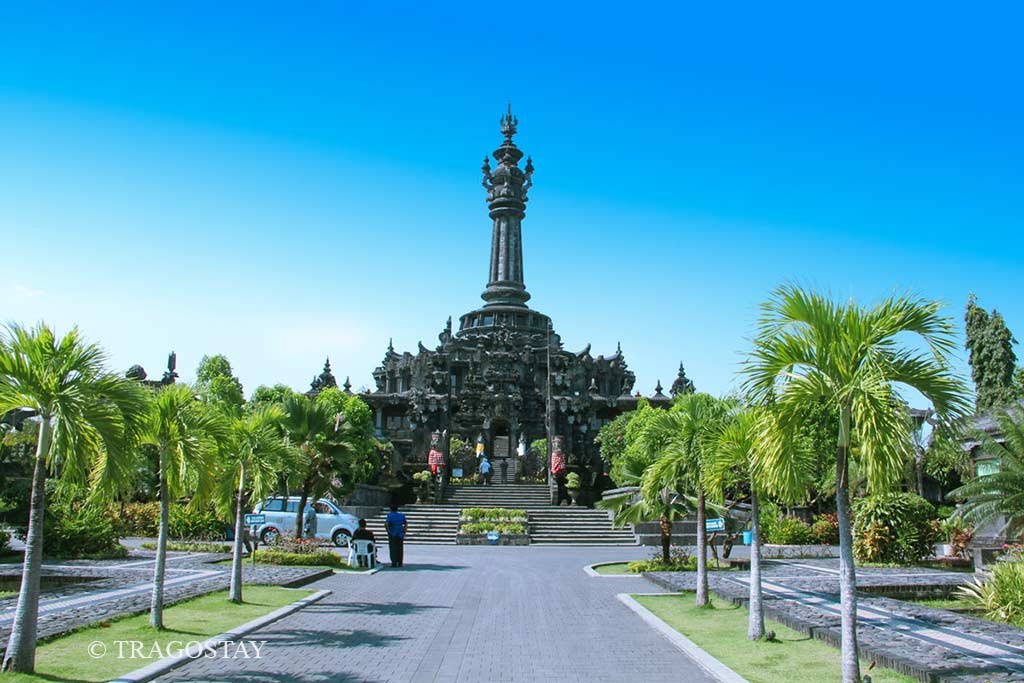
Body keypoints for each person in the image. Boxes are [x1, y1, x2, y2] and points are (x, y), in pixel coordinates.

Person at [385, 503, 408, 567]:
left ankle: (394, 562)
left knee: (393, 548)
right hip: (400, 533)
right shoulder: (402, 515)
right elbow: (406, 523)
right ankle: (400, 562)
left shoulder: (390, 515)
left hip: (393, 533)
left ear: (391, 509)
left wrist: (388, 531)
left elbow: (386, 524)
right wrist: (404, 532)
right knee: (400, 548)